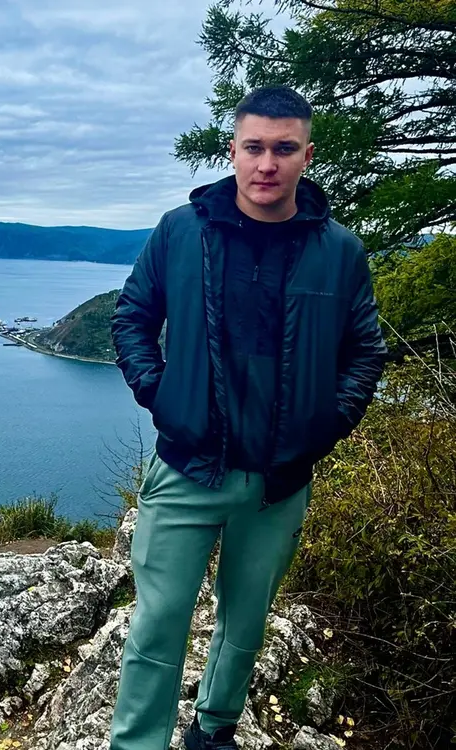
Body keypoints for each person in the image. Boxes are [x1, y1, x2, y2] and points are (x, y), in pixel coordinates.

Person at [108, 86, 387, 750]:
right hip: (187, 469)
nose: (267, 164)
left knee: (245, 622)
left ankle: (214, 730)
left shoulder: (339, 250)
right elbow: (133, 317)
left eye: (284, 149)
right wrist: (162, 396)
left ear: (307, 155)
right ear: (232, 151)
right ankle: (138, 742)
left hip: (278, 482)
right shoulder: (182, 231)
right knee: (158, 623)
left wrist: (324, 426)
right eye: (254, 147)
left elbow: (364, 351)